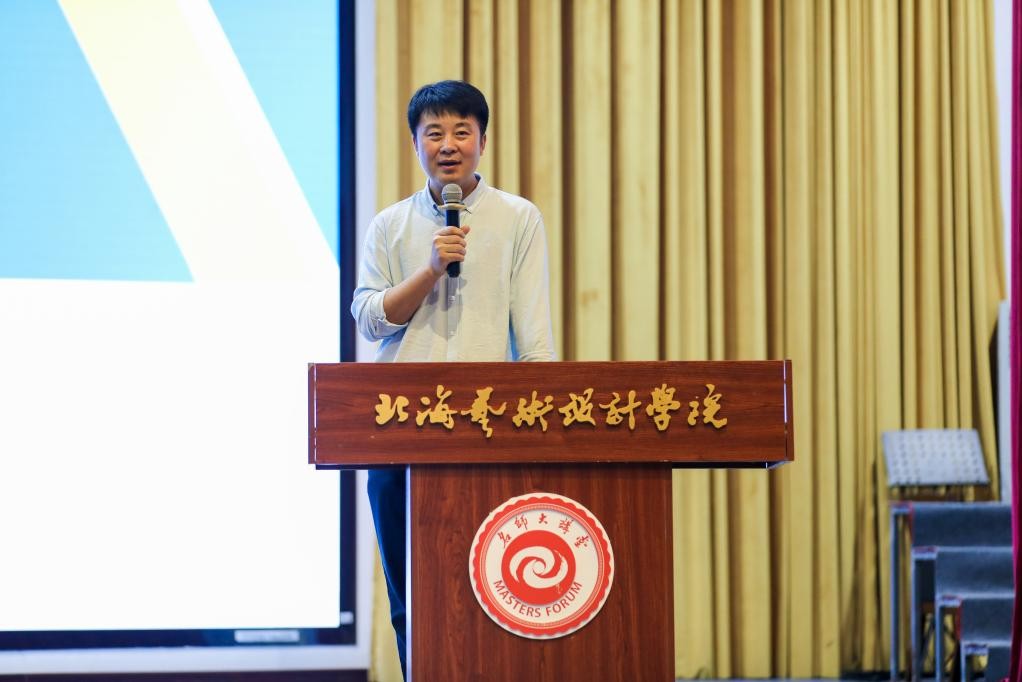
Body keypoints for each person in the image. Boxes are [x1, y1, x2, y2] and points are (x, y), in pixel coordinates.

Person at [351, 80, 555, 677]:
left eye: (462, 131)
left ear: (482, 142)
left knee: (492, 590)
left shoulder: (518, 218)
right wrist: (431, 269)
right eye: (434, 133)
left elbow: (534, 340)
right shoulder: (389, 225)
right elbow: (369, 319)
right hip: (399, 431)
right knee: (410, 599)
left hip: (489, 433)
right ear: (415, 144)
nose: (448, 145)